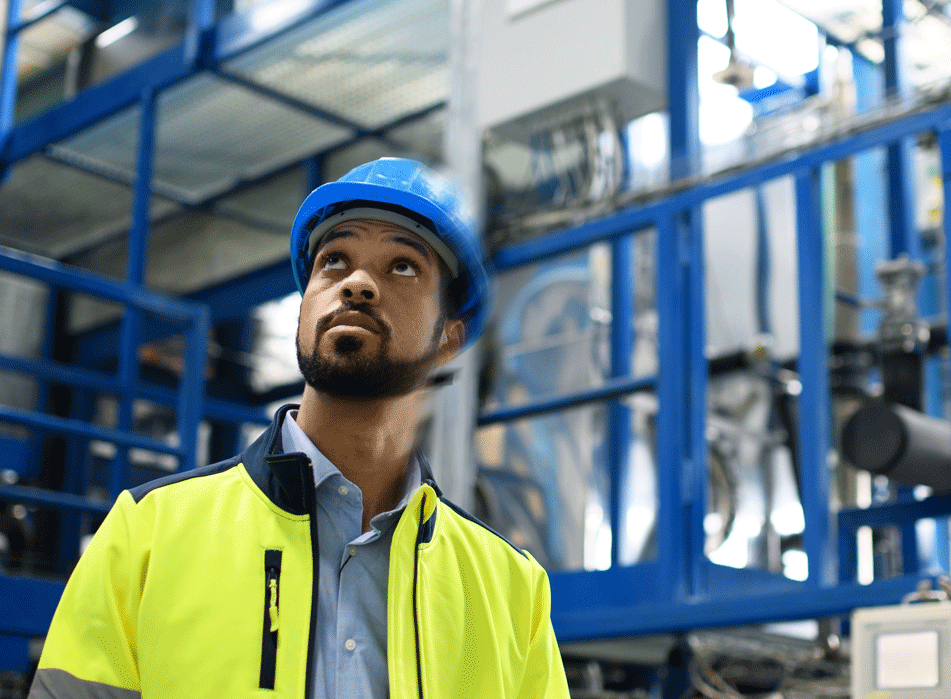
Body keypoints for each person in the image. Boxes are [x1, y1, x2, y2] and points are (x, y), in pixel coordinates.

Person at [29, 158, 571, 699]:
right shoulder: (146, 536)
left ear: (447, 339)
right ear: (302, 309)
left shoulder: (512, 592)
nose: (357, 283)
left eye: (402, 266)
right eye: (334, 260)